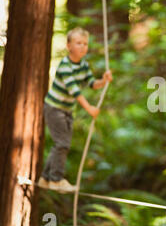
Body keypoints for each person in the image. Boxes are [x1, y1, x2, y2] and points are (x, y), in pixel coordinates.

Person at [38, 27, 113, 192]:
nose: (83, 47)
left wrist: (103, 80)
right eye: (78, 43)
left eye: (85, 44)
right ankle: (56, 179)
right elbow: (76, 91)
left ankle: (45, 178)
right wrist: (89, 109)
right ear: (69, 46)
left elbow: (92, 84)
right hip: (54, 108)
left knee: (62, 144)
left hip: (67, 110)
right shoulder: (65, 66)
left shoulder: (83, 65)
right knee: (62, 144)